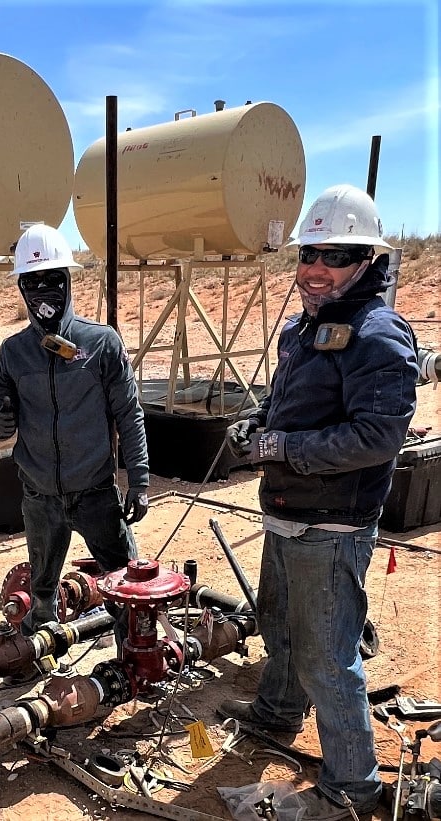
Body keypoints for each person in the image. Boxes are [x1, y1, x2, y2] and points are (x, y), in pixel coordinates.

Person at [220, 185, 419, 819]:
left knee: (327, 658)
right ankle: (277, 714)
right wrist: (255, 425)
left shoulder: (377, 336)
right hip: (286, 511)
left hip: (331, 524)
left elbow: (377, 436)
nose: (313, 269)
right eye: (309, 253)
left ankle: (353, 786)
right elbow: (287, 409)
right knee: (278, 625)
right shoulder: (307, 330)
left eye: (332, 255)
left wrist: (283, 446)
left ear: (367, 261)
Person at [0, 224, 150, 643]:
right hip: (40, 500)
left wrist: (140, 481)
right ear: (21, 288)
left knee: (124, 590)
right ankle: (37, 656)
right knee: (41, 593)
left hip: (95, 495)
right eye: (32, 282)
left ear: (69, 282)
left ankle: (132, 663)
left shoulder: (102, 344)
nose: (43, 292)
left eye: (52, 280)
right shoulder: (13, 353)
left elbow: (128, 414)